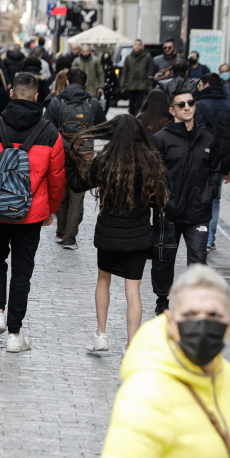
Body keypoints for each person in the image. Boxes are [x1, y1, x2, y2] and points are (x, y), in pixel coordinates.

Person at [97, 265, 230, 458]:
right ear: (170, 322)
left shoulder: (228, 379)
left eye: (213, 315)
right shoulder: (147, 392)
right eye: (190, 314)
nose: (202, 324)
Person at [0, 72, 66, 353]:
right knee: (22, 271)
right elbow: (58, 179)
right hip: (31, 213)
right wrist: (52, 210)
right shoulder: (50, 134)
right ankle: (14, 334)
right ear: (37, 97)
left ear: (11, 94)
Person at [67, 115, 168, 351]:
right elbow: (160, 200)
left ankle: (101, 334)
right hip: (138, 236)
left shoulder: (105, 162)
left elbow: (77, 184)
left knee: (103, 280)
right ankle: (131, 345)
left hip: (109, 234)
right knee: (133, 291)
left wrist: (69, 157)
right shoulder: (150, 162)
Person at [151, 90, 224, 316]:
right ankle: (162, 299)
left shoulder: (208, 138)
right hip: (168, 213)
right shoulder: (161, 139)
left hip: (198, 212)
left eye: (190, 103)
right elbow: (154, 174)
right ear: (172, 110)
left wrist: (208, 194)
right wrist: (163, 200)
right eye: (181, 104)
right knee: (164, 259)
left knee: (198, 260)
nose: (186, 107)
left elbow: (215, 170)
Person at [45, 67, 107, 250]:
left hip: (60, 152)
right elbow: (102, 127)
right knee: (77, 196)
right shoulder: (92, 103)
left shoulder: (56, 102)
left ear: (67, 82)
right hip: (84, 153)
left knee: (61, 191)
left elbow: (47, 127)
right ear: (85, 83)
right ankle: (70, 239)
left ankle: (60, 231)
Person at [194, 73, 230, 251]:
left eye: (199, 85)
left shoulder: (197, 107)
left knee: (198, 197)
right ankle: (209, 239)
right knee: (215, 200)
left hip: (200, 160)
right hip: (222, 162)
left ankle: (198, 235)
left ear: (205, 85)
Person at [120, 39, 152, 116]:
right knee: (131, 105)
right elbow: (124, 72)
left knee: (139, 104)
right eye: (136, 44)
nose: (137, 46)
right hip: (131, 84)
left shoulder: (147, 57)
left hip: (142, 84)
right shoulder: (128, 57)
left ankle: (137, 119)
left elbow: (149, 71)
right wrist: (122, 85)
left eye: (139, 44)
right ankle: (132, 117)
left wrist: (149, 85)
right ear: (133, 46)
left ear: (142, 46)